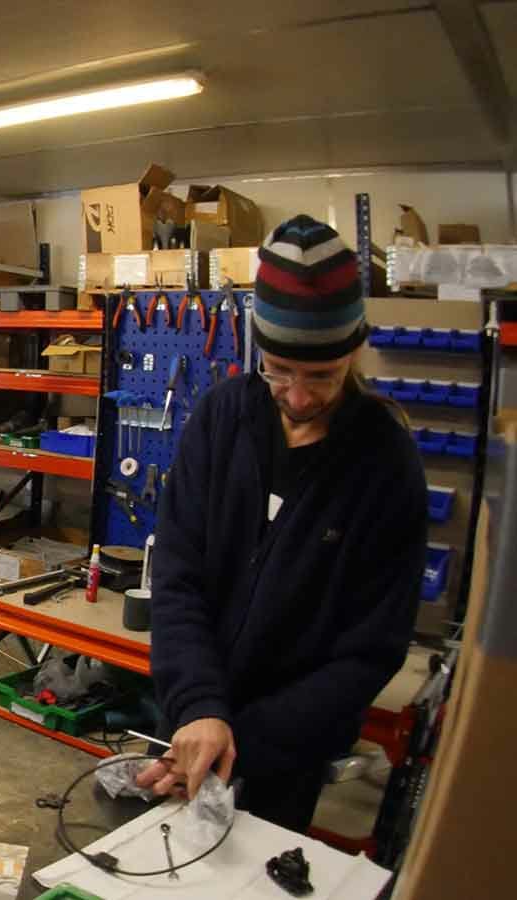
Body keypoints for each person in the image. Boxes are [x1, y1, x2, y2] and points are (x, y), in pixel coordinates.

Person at [136, 215, 426, 833]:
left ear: (354, 351)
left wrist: (239, 740)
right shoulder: (220, 420)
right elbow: (178, 582)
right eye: (278, 371)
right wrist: (199, 707)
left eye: (322, 376)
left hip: (286, 756)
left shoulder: (386, 464)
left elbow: (368, 650)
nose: (297, 397)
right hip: (190, 727)